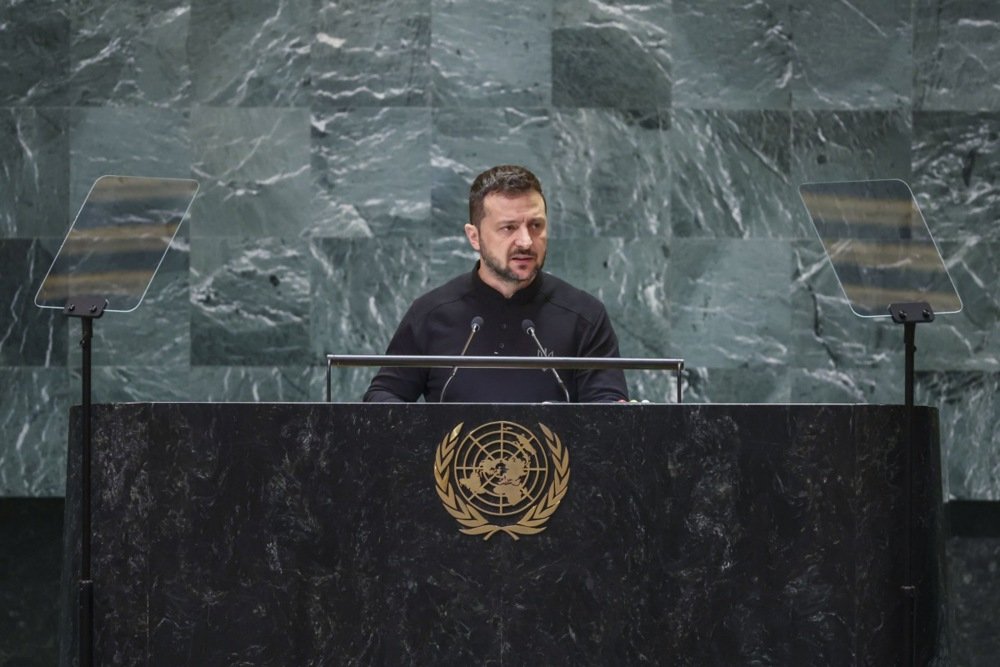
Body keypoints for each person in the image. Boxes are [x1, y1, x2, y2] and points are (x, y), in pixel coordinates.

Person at [363, 164, 628, 403]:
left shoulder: (584, 316)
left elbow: (605, 410)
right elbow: (383, 396)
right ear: (475, 237)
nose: (526, 241)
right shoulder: (431, 313)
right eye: (508, 228)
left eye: (536, 225)